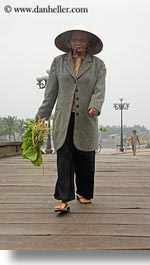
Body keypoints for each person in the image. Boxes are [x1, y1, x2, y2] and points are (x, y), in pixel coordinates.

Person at [35, 25, 106, 212]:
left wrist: (96, 105)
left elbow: (100, 88)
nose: (78, 43)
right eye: (75, 39)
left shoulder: (98, 64)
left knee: (85, 156)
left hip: (85, 117)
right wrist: (41, 116)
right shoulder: (58, 62)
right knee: (64, 157)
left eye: (82, 40)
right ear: (69, 43)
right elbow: (50, 92)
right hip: (63, 118)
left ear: (89, 43)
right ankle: (63, 199)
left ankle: (84, 192)